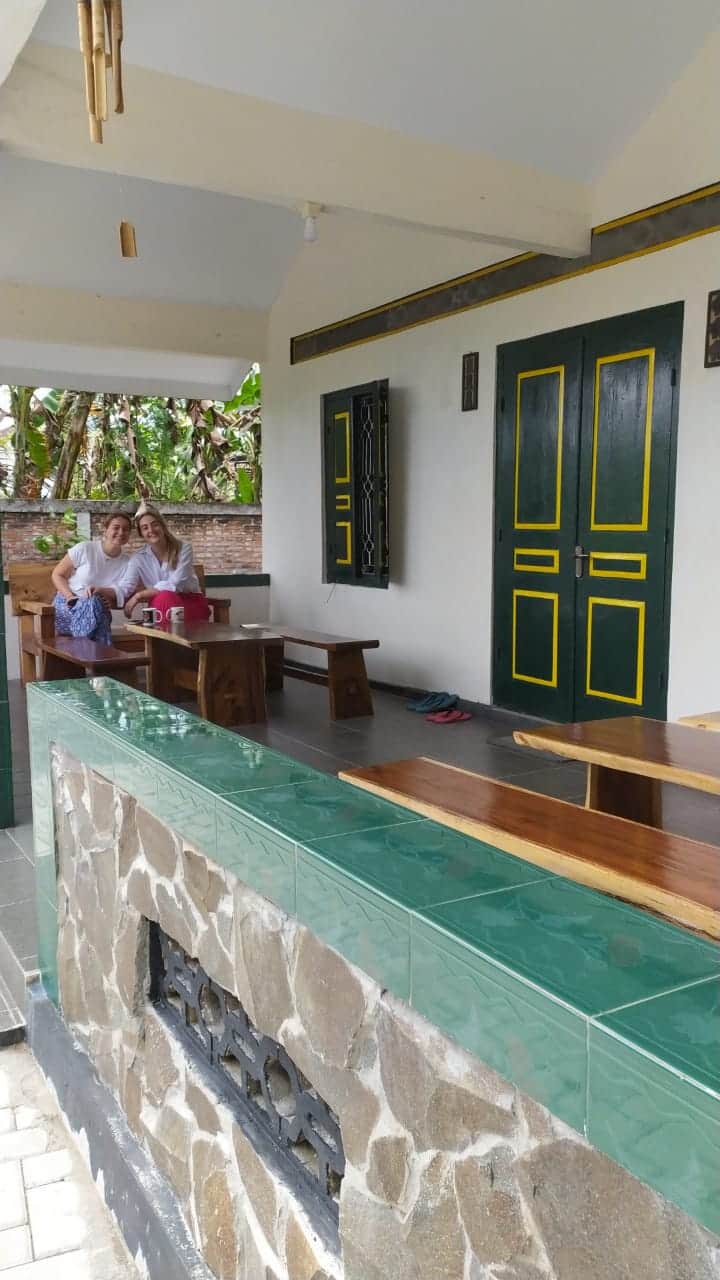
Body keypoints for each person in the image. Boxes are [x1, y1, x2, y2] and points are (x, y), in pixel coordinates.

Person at [51, 509, 133, 645]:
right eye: (116, 527)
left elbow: (123, 593)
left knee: (95, 602)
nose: (121, 532)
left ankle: (82, 650)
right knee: (96, 607)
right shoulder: (85, 549)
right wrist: (69, 596)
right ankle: (101, 654)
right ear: (105, 530)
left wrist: (105, 597)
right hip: (68, 607)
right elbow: (57, 574)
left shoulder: (128, 563)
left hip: (97, 611)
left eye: (125, 529)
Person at [121, 504, 211, 623]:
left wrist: (139, 595)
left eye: (155, 525)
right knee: (163, 598)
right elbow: (126, 585)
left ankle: (165, 634)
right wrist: (102, 592)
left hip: (189, 603)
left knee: (165, 596)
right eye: (145, 528)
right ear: (141, 534)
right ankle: (170, 634)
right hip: (160, 605)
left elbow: (176, 583)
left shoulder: (183, 549)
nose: (151, 530)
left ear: (163, 526)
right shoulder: (138, 558)